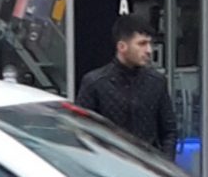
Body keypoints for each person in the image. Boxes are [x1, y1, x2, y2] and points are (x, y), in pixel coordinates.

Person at [76, 17, 178, 158]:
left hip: (149, 167)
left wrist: (166, 164)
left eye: (150, 44)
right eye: (142, 44)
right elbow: (82, 131)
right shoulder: (95, 83)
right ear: (122, 47)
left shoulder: (156, 82)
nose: (149, 50)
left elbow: (169, 131)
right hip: (109, 166)